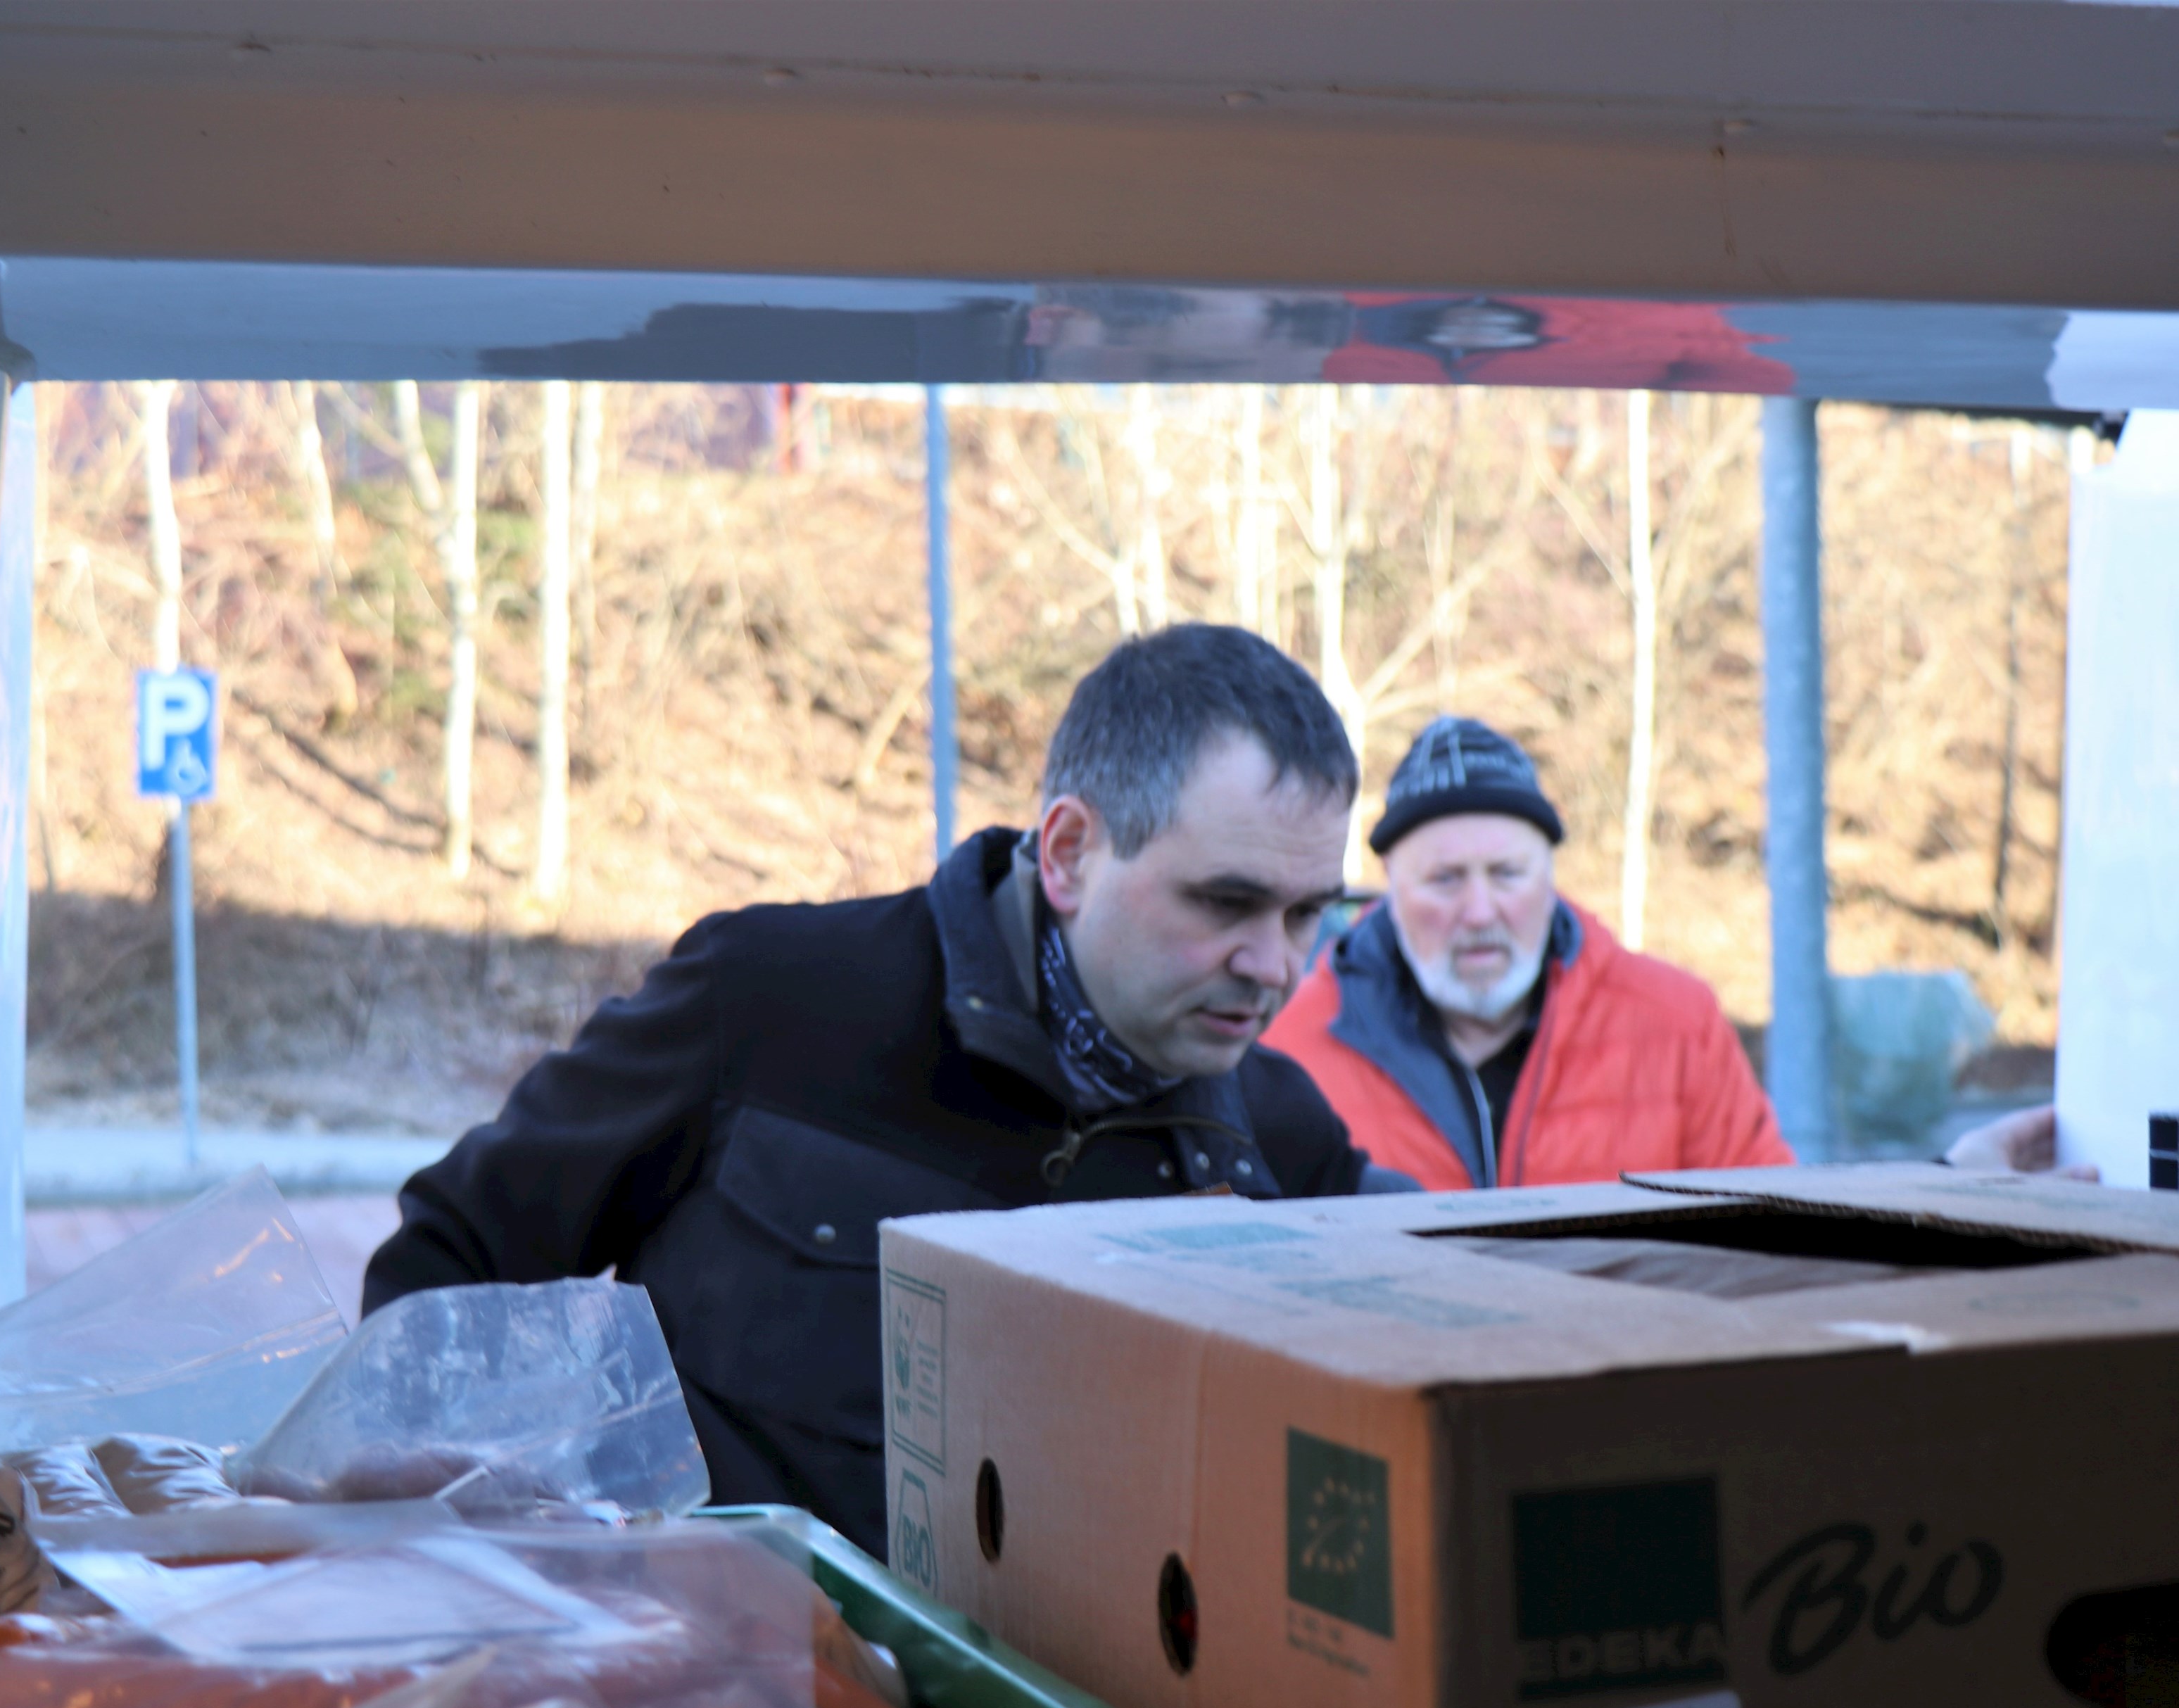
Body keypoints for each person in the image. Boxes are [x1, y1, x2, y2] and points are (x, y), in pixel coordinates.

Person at [364, 624, 1398, 1554]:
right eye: (1228, 902)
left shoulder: (1282, 1146)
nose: (1275, 965)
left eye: (1310, 914)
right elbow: (450, 1268)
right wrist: (501, 1585)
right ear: (1072, 851)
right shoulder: (766, 999)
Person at [1264, 716, 1792, 1190]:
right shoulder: (1286, 1047)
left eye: (1507, 875)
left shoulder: (1678, 1022)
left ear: (1549, 878)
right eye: (1445, 880)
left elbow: (1773, 1230)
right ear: (1392, 891)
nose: (1479, 912)